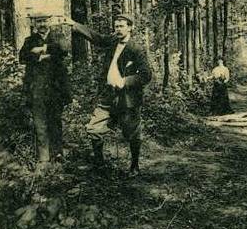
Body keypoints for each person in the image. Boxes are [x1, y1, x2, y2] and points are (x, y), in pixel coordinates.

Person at [64, 14, 152, 177]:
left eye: (121, 26)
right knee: (94, 128)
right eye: (116, 26)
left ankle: (134, 165)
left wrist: (125, 81)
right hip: (108, 96)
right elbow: (96, 38)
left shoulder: (136, 48)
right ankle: (99, 165)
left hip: (128, 99)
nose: (118, 29)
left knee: (131, 133)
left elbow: (146, 75)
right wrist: (74, 24)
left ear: (130, 27)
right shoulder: (112, 40)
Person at [19, 13, 71, 168]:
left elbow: (64, 49)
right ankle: (44, 158)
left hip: (56, 89)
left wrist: (42, 49)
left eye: (44, 20)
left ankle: (58, 154)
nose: (42, 24)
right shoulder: (29, 41)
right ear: (34, 23)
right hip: (37, 89)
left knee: (55, 121)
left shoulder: (58, 36)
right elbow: (22, 57)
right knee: (40, 123)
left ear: (49, 22)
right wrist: (38, 58)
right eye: (39, 21)